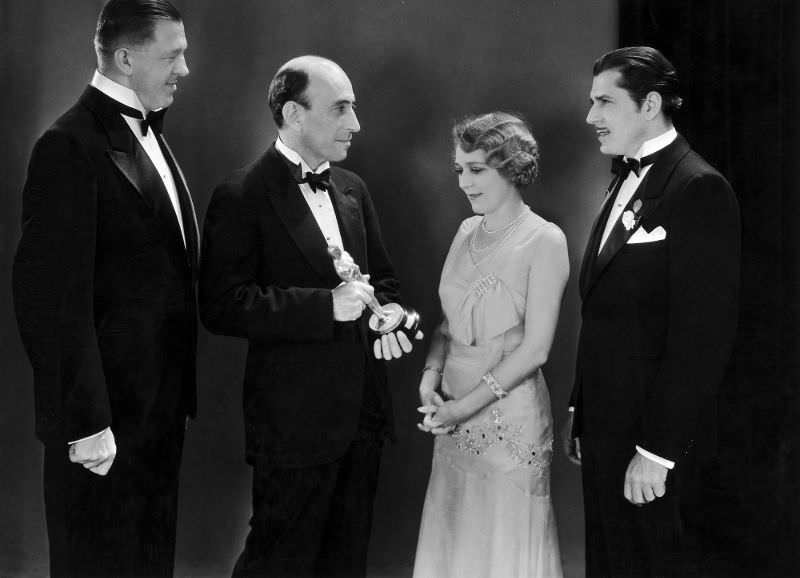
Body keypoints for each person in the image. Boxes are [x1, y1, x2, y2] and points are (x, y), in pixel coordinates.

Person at [199, 55, 419, 577]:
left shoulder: (353, 189)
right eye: (341, 108)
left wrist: (390, 314)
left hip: (361, 417)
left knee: (345, 564)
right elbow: (222, 305)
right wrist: (325, 307)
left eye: (355, 108)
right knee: (278, 562)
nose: (356, 123)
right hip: (292, 424)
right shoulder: (241, 194)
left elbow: (382, 283)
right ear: (294, 114)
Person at [11, 0, 197, 576]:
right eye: (173, 55)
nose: (185, 69)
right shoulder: (68, 146)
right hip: (101, 429)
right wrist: (87, 423)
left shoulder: (152, 134)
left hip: (155, 418)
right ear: (123, 57)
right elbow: (49, 300)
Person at [566, 46, 740, 576]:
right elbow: (603, 311)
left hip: (648, 437)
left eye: (604, 102)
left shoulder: (698, 186)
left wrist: (657, 451)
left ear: (650, 105)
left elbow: (702, 336)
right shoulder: (623, 175)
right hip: (604, 426)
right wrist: (582, 406)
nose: (591, 116)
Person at [414, 112, 568, 578]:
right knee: (457, 534)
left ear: (512, 167)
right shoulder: (465, 231)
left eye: (477, 169)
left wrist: (461, 409)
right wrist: (430, 379)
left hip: (507, 417)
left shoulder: (545, 239)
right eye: (460, 169)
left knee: (503, 542)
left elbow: (536, 350)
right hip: (451, 407)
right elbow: (448, 324)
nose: (464, 182)